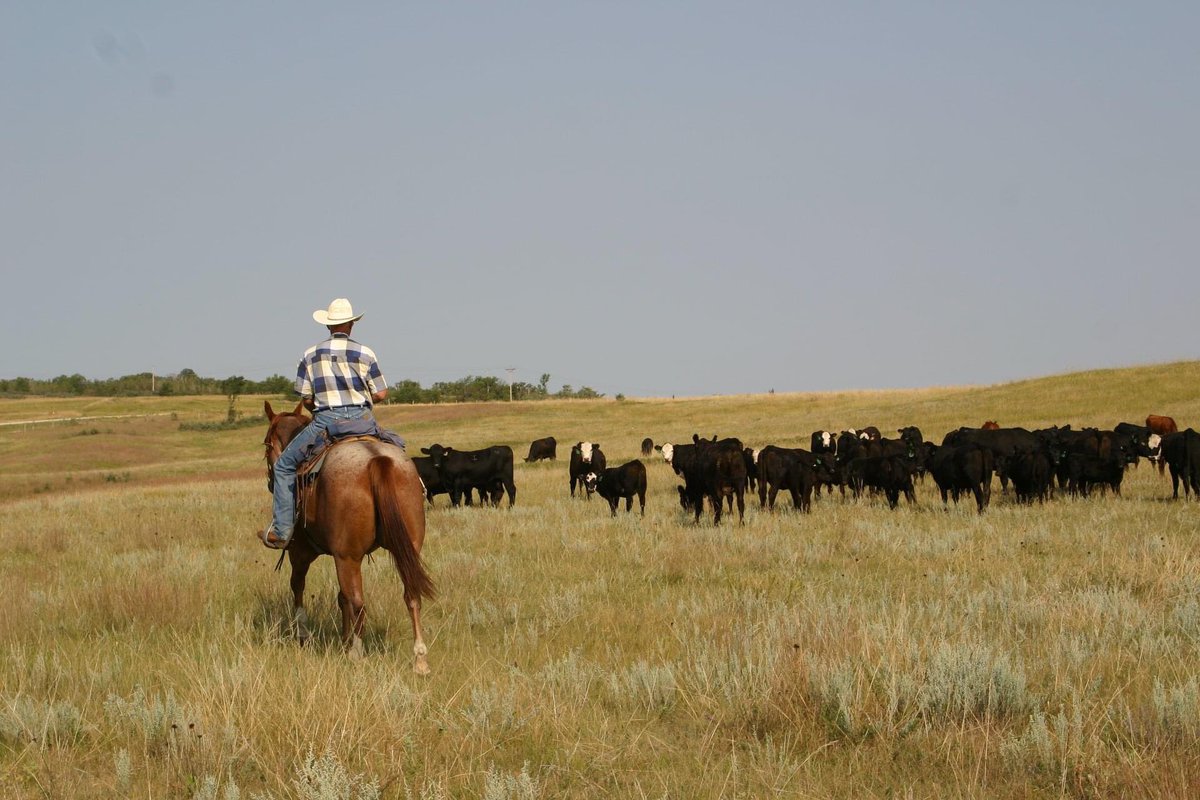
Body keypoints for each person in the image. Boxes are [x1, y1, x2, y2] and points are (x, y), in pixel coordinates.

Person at [260, 297, 388, 549]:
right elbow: (381, 393)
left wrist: (316, 405)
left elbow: (305, 397)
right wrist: (361, 399)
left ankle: (282, 530)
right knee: (398, 450)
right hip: (364, 420)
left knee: (285, 466)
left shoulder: (309, 354)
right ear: (351, 324)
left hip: (328, 422)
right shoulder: (366, 352)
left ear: (329, 326)